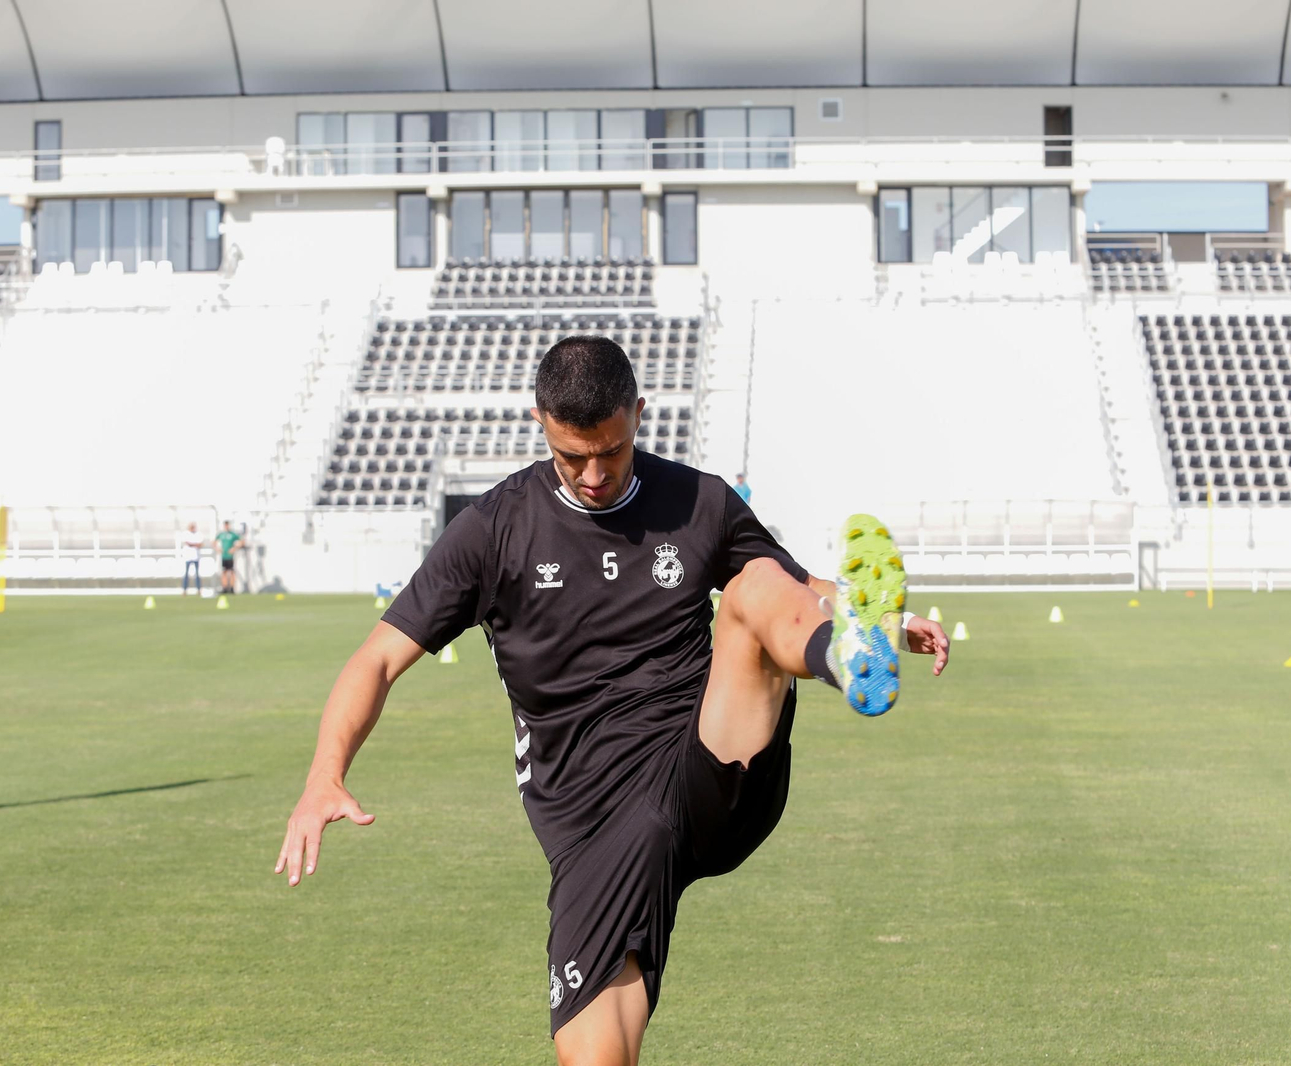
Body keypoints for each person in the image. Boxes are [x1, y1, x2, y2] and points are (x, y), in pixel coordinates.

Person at [275, 337, 950, 1065]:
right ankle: (844, 648)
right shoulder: (492, 532)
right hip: (588, 822)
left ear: (638, 414)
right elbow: (378, 657)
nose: (595, 475)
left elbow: (792, 586)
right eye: (573, 457)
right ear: (539, 422)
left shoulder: (700, 503)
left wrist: (874, 618)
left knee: (752, 587)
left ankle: (845, 660)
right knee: (593, 1057)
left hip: (703, 762)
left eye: (614, 451)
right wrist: (325, 773)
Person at [214, 521, 242, 595]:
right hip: (224, 556)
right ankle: (225, 588)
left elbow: (242, 541)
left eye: (227, 525)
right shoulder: (221, 534)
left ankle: (232, 588)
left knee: (232, 571)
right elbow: (214, 542)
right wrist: (218, 549)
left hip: (230, 556)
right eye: (225, 525)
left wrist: (234, 548)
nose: (226, 527)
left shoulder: (232, 534)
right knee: (224, 572)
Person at [181, 523, 204, 595]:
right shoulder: (186, 534)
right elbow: (188, 543)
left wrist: (193, 544)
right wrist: (195, 544)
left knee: (197, 574)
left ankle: (198, 589)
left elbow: (200, 544)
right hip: (188, 557)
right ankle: (184, 590)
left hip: (196, 557)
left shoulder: (198, 534)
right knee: (186, 574)